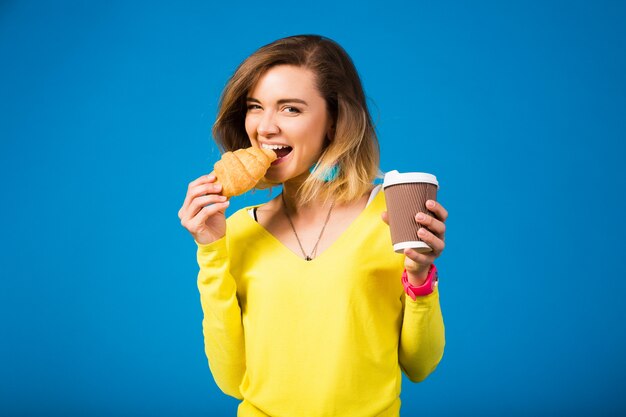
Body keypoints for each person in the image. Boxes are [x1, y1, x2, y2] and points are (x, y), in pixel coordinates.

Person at [178, 34, 448, 417]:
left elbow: (421, 365)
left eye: (290, 109)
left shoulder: (393, 214)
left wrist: (420, 274)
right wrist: (209, 250)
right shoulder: (235, 230)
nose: (265, 127)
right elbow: (230, 379)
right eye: (256, 107)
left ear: (334, 121)